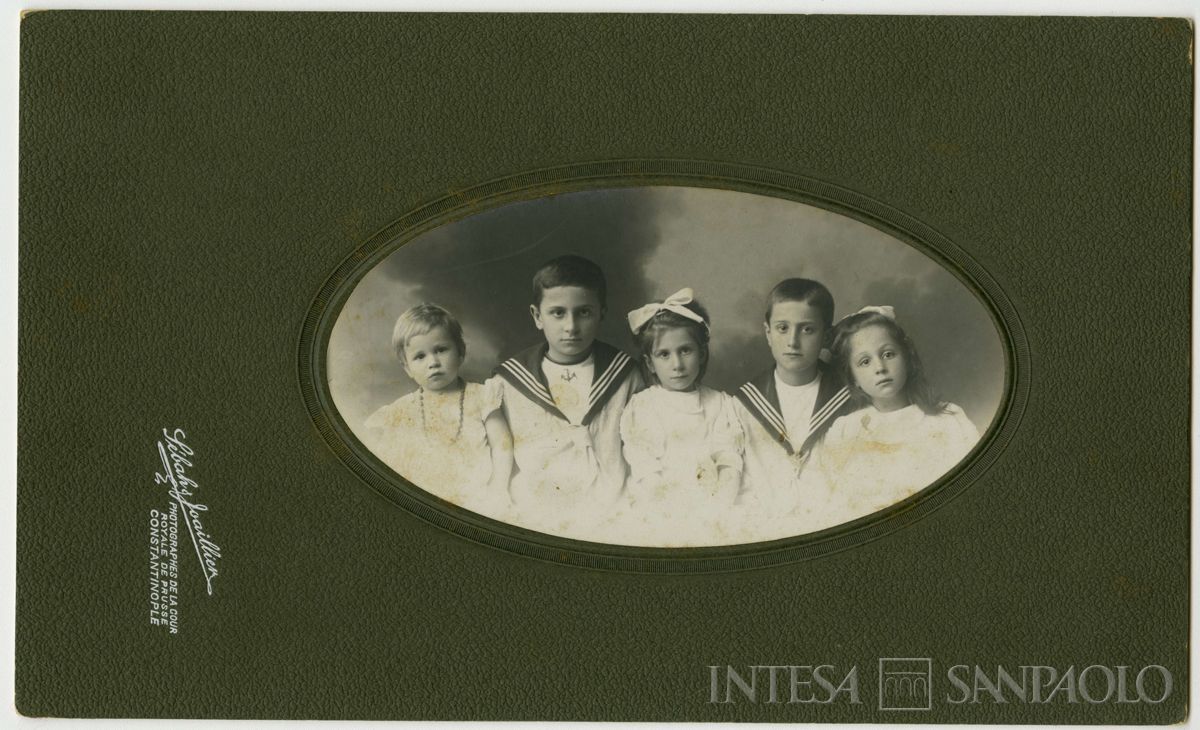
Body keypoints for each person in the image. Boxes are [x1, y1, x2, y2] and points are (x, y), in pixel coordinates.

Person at [492, 254, 643, 539]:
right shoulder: (508, 381)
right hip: (534, 517)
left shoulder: (625, 374)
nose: (571, 326)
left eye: (583, 312)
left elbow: (641, 449)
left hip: (613, 515)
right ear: (538, 316)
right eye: (558, 313)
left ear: (602, 312)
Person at [817, 306, 979, 519]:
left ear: (907, 357)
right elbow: (830, 505)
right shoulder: (845, 431)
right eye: (865, 362)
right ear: (853, 377)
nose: (880, 367)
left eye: (888, 354)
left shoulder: (948, 418)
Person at [614, 288, 745, 546]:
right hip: (658, 509)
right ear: (650, 363)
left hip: (712, 509)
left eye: (685, 351)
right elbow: (645, 466)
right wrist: (674, 513)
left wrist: (714, 510)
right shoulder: (642, 407)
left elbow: (729, 459)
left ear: (702, 354)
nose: (677, 364)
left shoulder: (720, 404)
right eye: (664, 354)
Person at [363, 303, 513, 517]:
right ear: (407, 368)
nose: (433, 362)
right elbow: (390, 461)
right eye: (420, 356)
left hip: (478, 497)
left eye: (441, 350)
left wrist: (499, 488)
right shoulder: (401, 411)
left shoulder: (482, 396)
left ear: (461, 353)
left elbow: (502, 446)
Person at [732, 278, 854, 528]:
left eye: (807, 329)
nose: (793, 341)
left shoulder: (847, 399)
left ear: (826, 336)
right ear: (767, 333)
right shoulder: (744, 404)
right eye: (782, 328)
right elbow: (741, 484)